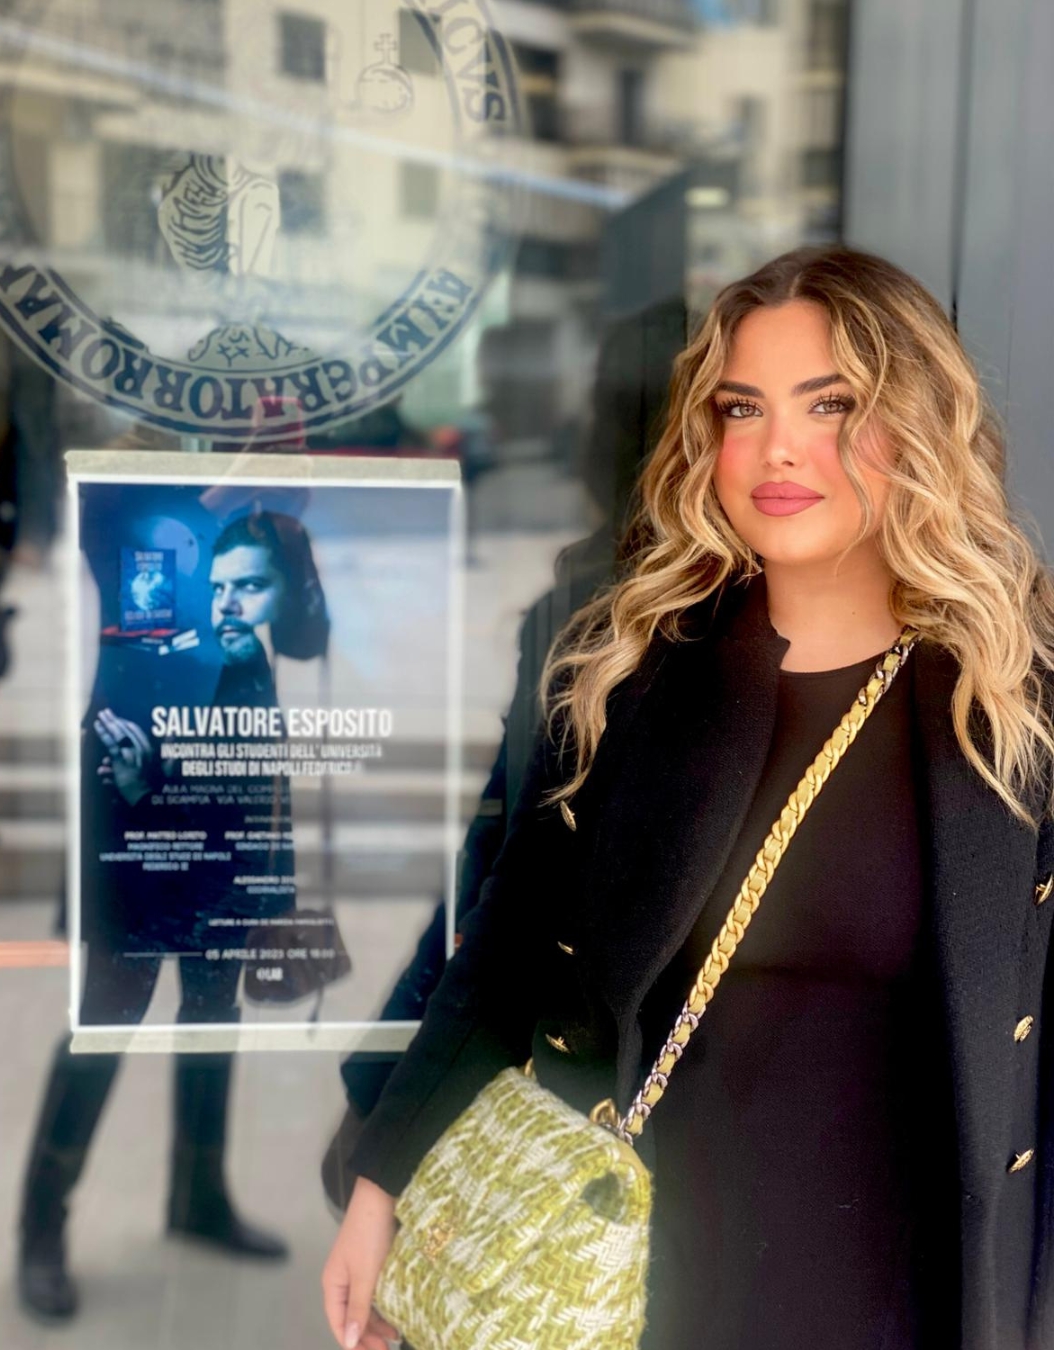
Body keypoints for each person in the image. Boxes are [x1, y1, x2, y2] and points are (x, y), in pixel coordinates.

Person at [320, 244, 1054, 1350]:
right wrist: (383, 1183)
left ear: (918, 425)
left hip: (908, 1297)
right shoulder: (631, 669)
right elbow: (505, 954)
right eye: (742, 408)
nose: (778, 448)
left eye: (831, 405)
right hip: (644, 1287)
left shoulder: (1008, 699)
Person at [18, 508, 330, 1321]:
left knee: (213, 1004)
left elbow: (306, 639)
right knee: (110, 1009)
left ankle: (198, 1193)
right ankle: (41, 1220)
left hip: (235, 777)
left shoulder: (257, 513)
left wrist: (289, 530)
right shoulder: (139, 494)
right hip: (139, 772)